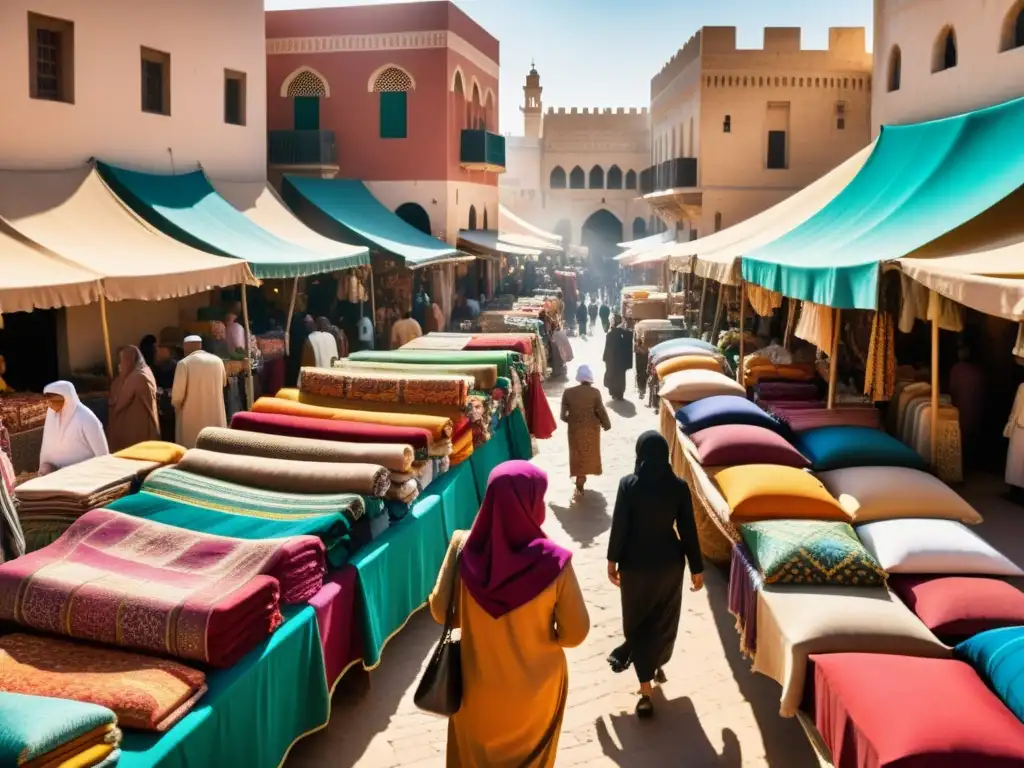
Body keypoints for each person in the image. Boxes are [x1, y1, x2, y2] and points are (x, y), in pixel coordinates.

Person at [428, 461, 590, 767]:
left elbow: (441, 611)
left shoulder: (463, 547)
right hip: (536, 695)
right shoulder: (554, 563)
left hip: (476, 692)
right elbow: (575, 633)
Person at [606, 431, 704, 718]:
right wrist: (697, 567)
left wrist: (612, 560)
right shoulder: (678, 487)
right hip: (669, 564)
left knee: (636, 619)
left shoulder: (629, 485)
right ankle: (656, 664)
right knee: (663, 618)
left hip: (635, 565)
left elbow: (620, 525)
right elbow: (687, 529)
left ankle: (645, 687)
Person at [560, 364, 611, 498]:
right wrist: (606, 424)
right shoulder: (595, 392)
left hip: (574, 430)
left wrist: (573, 421)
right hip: (592, 430)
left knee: (577, 454)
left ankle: (579, 480)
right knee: (588, 454)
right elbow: (600, 410)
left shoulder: (568, 392)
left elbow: (562, 416)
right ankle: (581, 481)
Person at [38, 381, 109, 476]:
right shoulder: (51, 414)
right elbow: (46, 445)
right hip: (56, 475)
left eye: (54, 398)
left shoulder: (86, 417)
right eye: (48, 399)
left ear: (66, 397)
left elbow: (102, 455)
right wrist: (44, 466)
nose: (50, 403)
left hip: (85, 475)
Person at [171, 335, 227, 449]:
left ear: (185, 347)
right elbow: (224, 384)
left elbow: (177, 397)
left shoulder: (184, 364)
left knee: (193, 448)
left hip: (191, 418)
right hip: (215, 415)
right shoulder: (218, 361)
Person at [107, 346, 160, 452]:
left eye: (122, 361)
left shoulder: (138, 377)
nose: (120, 365)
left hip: (136, 428)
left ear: (129, 360)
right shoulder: (143, 370)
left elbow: (119, 401)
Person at [603, 313, 634, 400]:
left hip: (612, 361)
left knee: (612, 376)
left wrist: (606, 359)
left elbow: (607, 349)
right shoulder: (625, 334)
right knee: (620, 377)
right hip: (621, 362)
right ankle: (619, 393)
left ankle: (614, 393)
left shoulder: (611, 334)